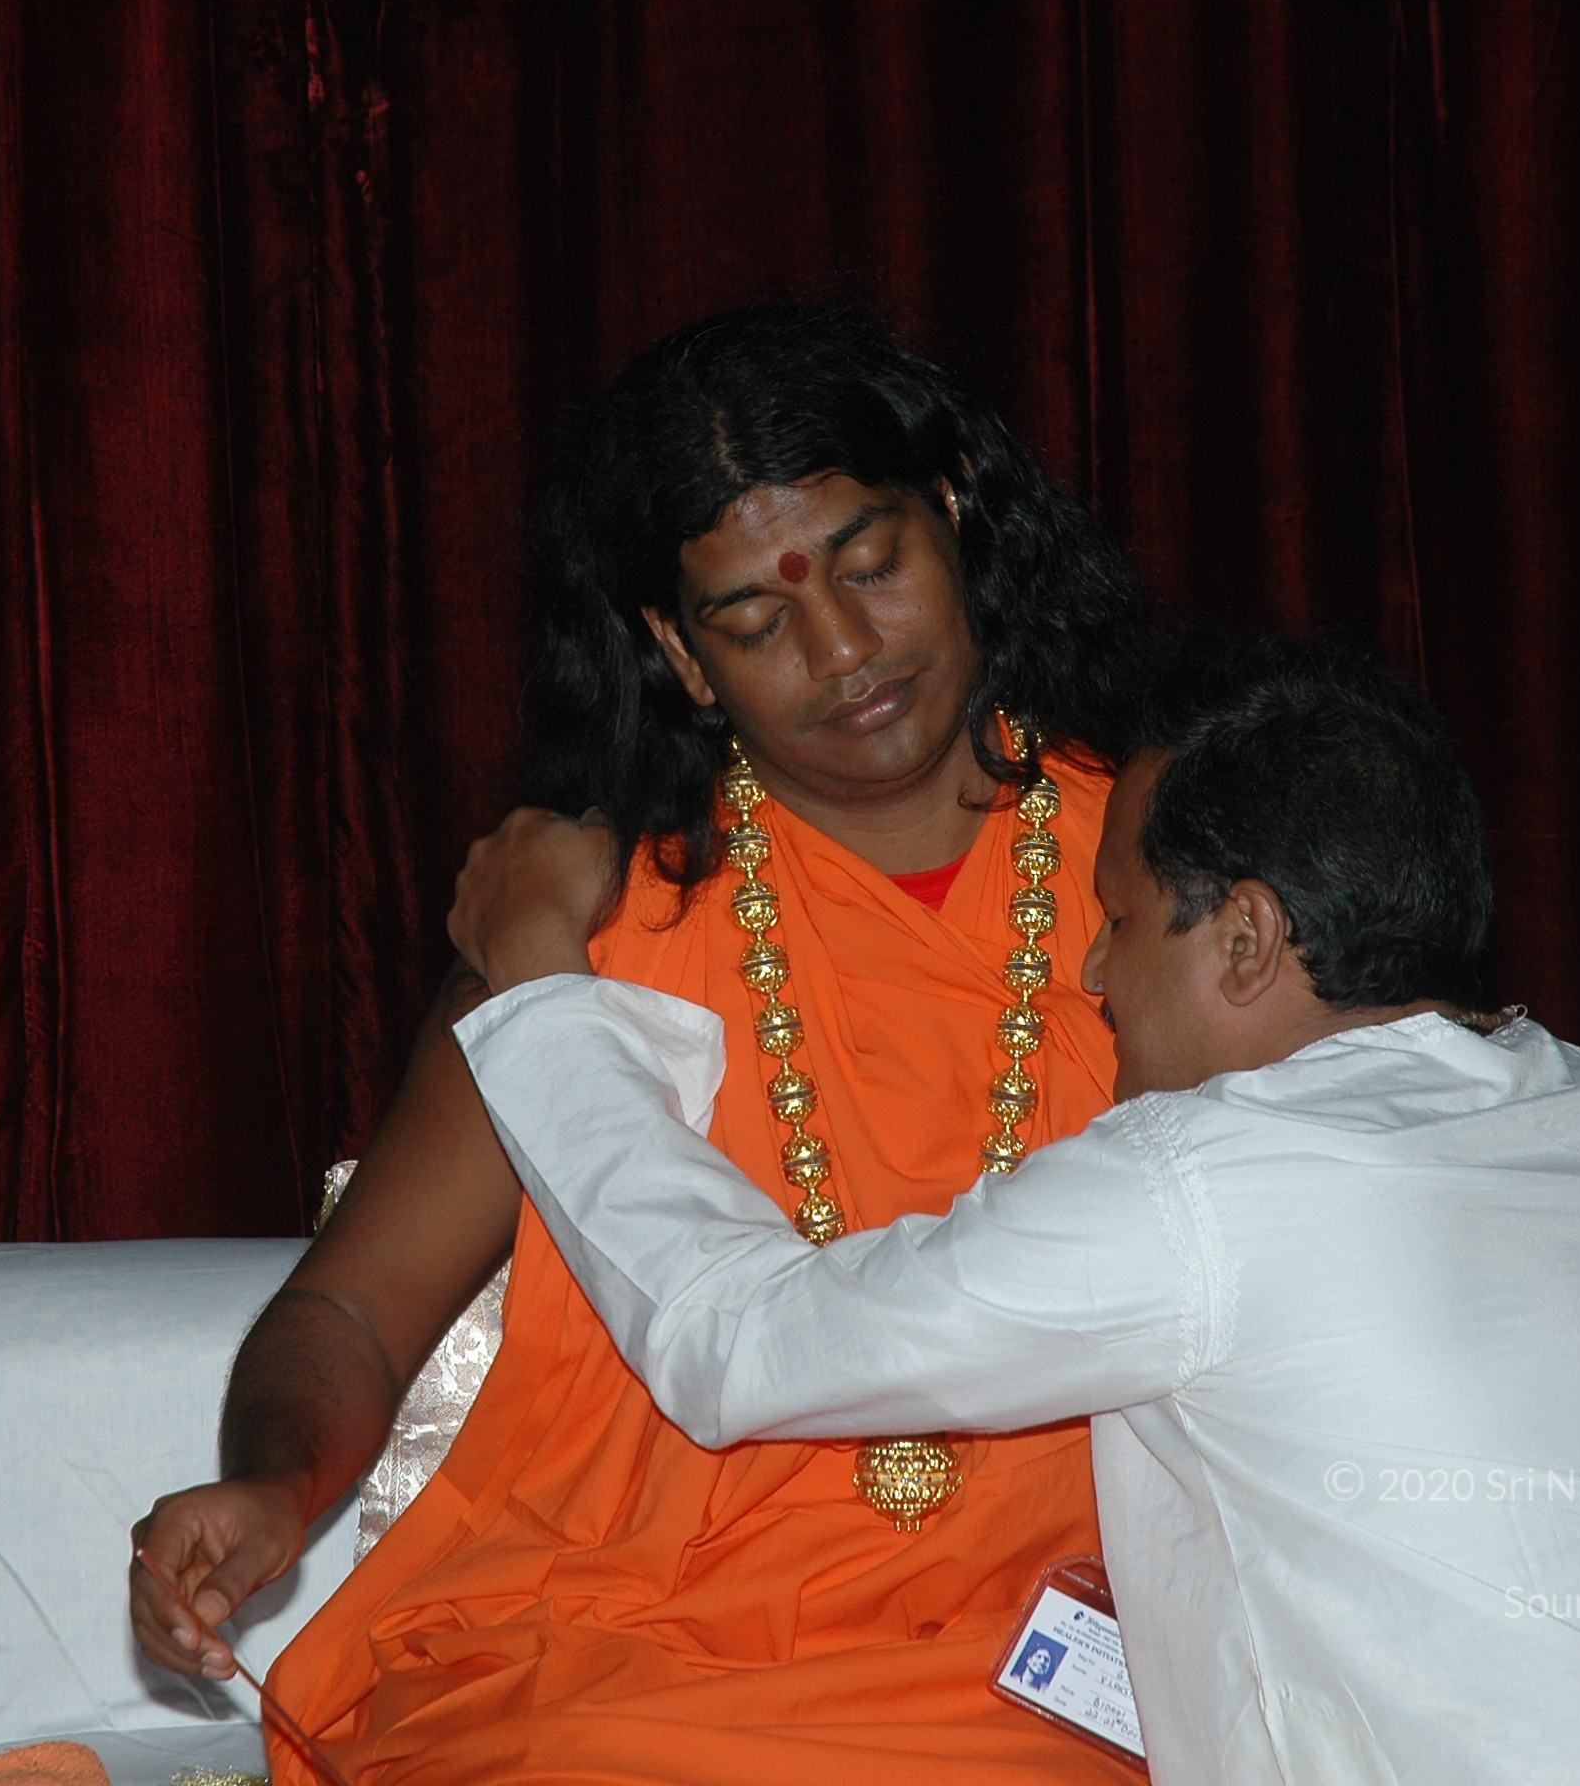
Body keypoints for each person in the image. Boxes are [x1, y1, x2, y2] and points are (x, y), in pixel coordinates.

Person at [443, 635, 1580, 1784]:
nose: (1092, 973)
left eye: (1114, 920)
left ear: (1243, 940)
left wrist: (537, 980)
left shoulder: (1211, 1181)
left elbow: (737, 1345)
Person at [131, 303, 1161, 1782]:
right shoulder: (586, 924)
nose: (843, 650)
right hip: (630, 1641)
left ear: (954, 516)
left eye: (872, 564)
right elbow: (352, 1310)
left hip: (1046, 1650)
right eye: (755, 621)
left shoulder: (1171, 874)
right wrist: (273, 1487)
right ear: (679, 652)